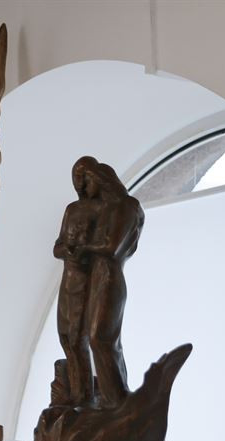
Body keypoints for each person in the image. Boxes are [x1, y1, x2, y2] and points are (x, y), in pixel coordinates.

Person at [76, 162, 145, 407]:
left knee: (101, 338)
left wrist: (82, 246)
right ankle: (112, 398)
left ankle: (117, 400)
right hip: (98, 277)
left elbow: (112, 247)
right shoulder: (106, 210)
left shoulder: (126, 205)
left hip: (110, 278)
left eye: (86, 182)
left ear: (98, 177)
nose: (84, 190)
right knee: (100, 340)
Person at [54, 156, 102, 406]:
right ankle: (76, 392)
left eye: (84, 177)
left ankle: (84, 397)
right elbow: (57, 246)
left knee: (77, 337)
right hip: (68, 279)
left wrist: (84, 252)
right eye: (77, 177)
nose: (80, 183)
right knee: (65, 336)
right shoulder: (72, 210)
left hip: (85, 280)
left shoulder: (101, 210)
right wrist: (68, 250)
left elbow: (105, 247)